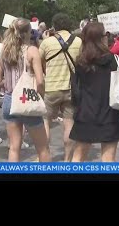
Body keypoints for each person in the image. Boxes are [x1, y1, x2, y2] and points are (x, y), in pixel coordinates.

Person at [70, 22, 119, 162]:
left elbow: (76, 90)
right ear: (102, 38)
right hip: (110, 112)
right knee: (108, 160)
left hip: (86, 112)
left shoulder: (80, 62)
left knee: (78, 156)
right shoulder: (113, 60)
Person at [0, 18, 51, 162]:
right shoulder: (32, 51)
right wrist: (41, 96)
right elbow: (40, 81)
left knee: (14, 147)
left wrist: (9, 82)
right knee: (43, 148)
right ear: (27, 33)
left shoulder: (3, 52)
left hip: (8, 100)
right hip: (28, 99)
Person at [39, 13, 82, 162]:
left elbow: (40, 64)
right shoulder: (78, 41)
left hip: (51, 87)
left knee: (45, 121)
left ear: (54, 26)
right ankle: (67, 160)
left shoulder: (47, 43)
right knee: (69, 123)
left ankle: (45, 157)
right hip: (71, 88)